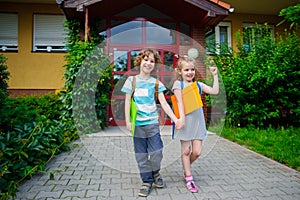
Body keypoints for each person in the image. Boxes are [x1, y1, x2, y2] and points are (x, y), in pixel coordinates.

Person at [121, 49, 183, 197]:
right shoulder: (132, 81)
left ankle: (155, 172)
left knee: (157, 152)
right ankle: (146, 181)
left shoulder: (156, 83)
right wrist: (128, 121)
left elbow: (164, 103)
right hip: (138, 125)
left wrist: (175, 119)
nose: (148, 63)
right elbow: (127, 101)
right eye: (146, 59)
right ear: (140, 61)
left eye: (152, 61)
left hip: (152, 124)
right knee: (141, 155)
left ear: (155, 65)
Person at [172, 55, 219, 193]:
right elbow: (180, 102)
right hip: (185, 122)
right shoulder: (178, 84)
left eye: (192, 69)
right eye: (186, 70)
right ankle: (189, 177)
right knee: (186, 151)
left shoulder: (198, 85)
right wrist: (182, 120)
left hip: (198, 123)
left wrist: (215, 75)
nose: (190, 72)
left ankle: (186, 166)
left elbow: (214, 91)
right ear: (180, 71)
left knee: (197, 152)